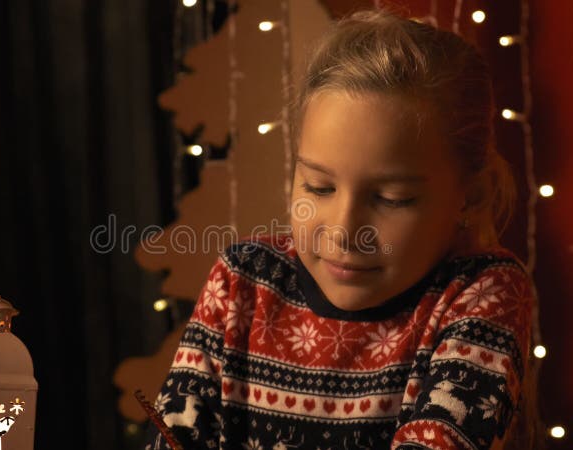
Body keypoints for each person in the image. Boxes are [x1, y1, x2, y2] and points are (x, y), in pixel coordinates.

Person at [145, 8, 538, 450]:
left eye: (392, 199)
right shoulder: (243, 280)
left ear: (470, 194)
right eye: (319, 186)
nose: (345, 230)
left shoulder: (482, 293)